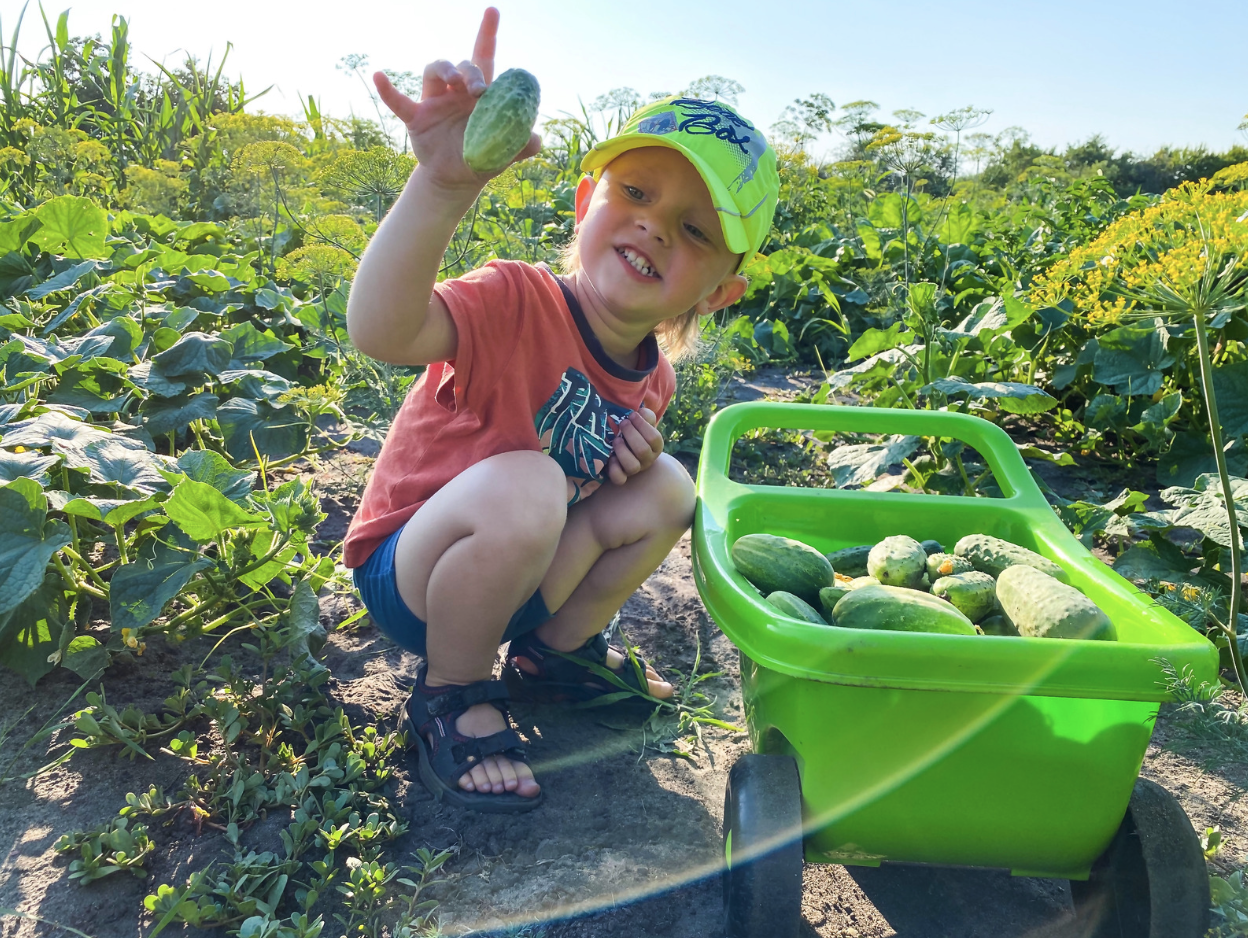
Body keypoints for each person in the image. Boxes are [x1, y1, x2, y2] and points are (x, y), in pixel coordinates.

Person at [343, 7, 778, 812]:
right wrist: (441, 186)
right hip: (413, 574)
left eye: (694, 228)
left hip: (516, 578)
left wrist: (620, 467)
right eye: (637, 192)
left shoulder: (653, 379)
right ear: (585, 200)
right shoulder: (514, 298)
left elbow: (588, 488)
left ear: (719, 291)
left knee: (668, 488)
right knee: (529, 486)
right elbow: (381, 329)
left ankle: (554, 654)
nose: (654, 223)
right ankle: (453, 691)